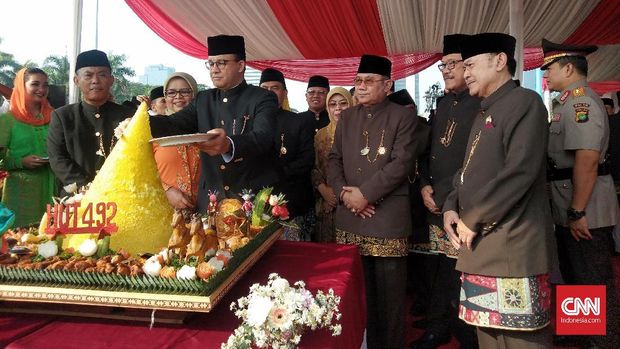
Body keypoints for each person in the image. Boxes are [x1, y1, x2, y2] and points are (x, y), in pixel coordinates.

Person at [443, 33, 554, 349]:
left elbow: (520, 172)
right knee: (488, 337)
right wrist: (451, 205)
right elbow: (466, 173)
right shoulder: (484, 112)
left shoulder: (525, 103)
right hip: (479, 249)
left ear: (500, 61)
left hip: (513, 249)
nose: (465, 73)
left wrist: (471, 218)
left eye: (471, 65)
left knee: (520, 341)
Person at [328, 54, 417, 349]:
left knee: (390, 301)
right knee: (356, 294)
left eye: (369, 81)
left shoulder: (403, 116)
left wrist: (365, 194)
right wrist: (344, 193)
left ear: (388, 85)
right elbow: (334, 160)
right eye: (358, 81)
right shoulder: (348, 117)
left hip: (386, 218)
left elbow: (401, 163)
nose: (361, 87)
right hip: (350, 216)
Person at [542, 38, 620, 348]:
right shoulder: (566, 102)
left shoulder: (581, 103)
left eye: (550, 69)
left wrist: (577, 211)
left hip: (586, 209)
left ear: (569, 67)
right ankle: (582, 334)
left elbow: (586, 161)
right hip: (570, 204)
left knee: (593, 279)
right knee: (576, 275)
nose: (546, 75)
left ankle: (603, 342)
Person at [149, 35, 279, 212]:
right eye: (211, 64)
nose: (214, 70)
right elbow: (173, 124)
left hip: (250, 201)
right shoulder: (204, 99)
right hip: (211, 202)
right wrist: (140, 122)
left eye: (221, 63)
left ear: (240, 66)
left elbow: (264, 137)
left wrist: (229, 145)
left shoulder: (262, 97)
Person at [412, 34, 479, 349]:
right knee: (439, 268)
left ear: (470, 67)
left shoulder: (482, 102)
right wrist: (424, 184)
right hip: (435, 200)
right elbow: (429, 152)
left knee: (464, 273)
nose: (446, 70)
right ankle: (438, 327)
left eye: (452, 64)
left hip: (466, 204)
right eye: (443, 65)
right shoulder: (440, 102)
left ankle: (468, 332)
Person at [47, 50, 134, 195]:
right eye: (88, 75)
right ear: (76, 81)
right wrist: (88, 187)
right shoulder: (62, 116)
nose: (95, 80)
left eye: (102, 75)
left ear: (111, 80)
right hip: (77, 197)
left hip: (119, 194)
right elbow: (57, 158)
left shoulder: (128, 115)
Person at [259, 68, 315, 241]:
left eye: (274, 88)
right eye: (264, 88)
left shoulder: (298, 121)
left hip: (292, 201)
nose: (268, 93)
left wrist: (276, 174)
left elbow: (307, 160)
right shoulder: (249, 122)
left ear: (284, 92)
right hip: (257, 202)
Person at [0, 68, 56, 227]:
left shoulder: (54, 116)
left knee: (51, 242)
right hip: (21, 194)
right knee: (20, 244)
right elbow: (0, 161)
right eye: (35, 84)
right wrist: (20, 162)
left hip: (52, 188)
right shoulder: (8, 121)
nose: (42, 89)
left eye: (45, 85)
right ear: (21, 86)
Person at [153, 73, 201, 210]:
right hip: (164, 211)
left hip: (206, 211)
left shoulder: (206, 127)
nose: (178, 97)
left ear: (195, 95)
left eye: (185, 91)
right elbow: (139, 170)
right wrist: (166, 190)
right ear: (165, 97)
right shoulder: (153, 130)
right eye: (171, 93)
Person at [312, 87, 352, 243]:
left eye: (343, 103)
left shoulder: (360, 133)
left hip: (352, 202)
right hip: (327, 203)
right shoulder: (321, 135)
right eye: (333, 104)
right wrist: (324, 190)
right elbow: (315, 166)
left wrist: (341, 194)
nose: (338, 109)